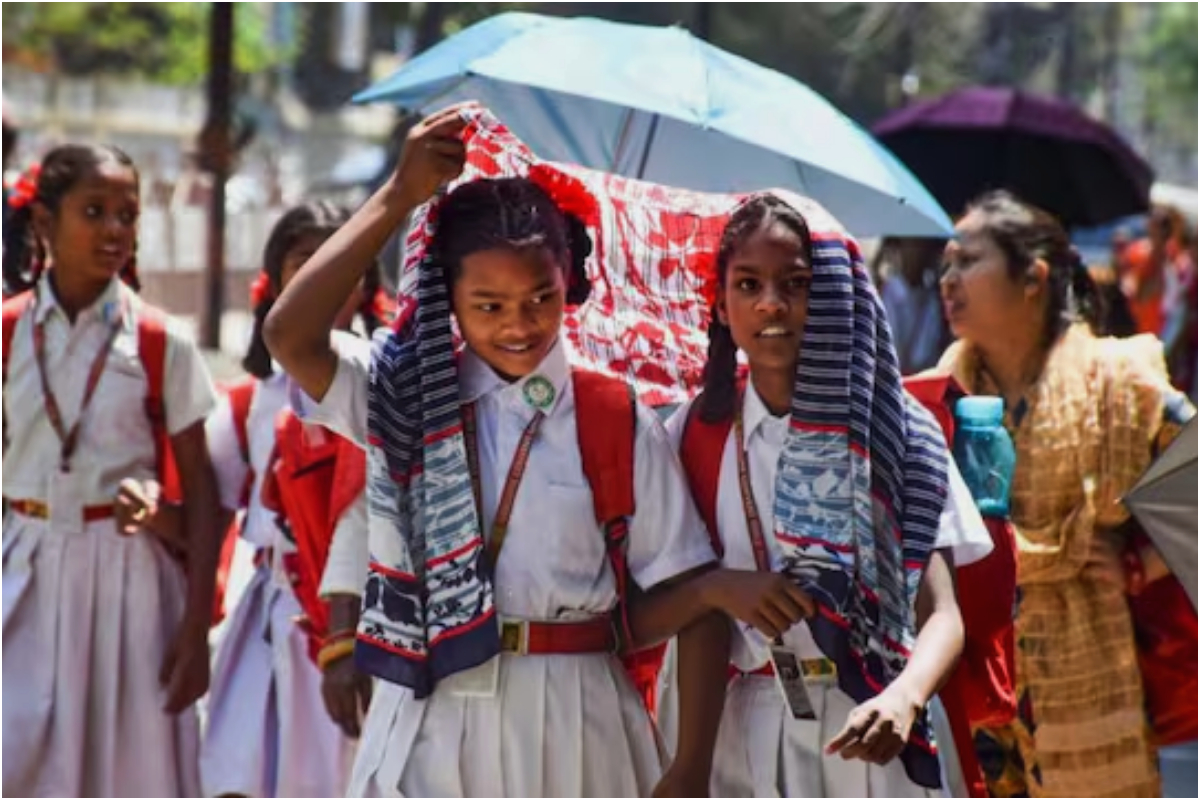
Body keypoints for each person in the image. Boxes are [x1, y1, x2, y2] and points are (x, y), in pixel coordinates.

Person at [263, 105, 741, 797]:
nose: (519, 324)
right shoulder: (407, 396)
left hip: (578, 722)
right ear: (446, 297)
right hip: (431, 714)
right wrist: (398, 196)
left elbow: (689, 596)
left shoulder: (613, 415)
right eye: (488, 305)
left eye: (540, 297)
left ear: (568, 284)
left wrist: (690, 766)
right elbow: (290, 336)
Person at [658, 194, 993, 797]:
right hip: (744, 725)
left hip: (870, 724)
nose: (771, 303)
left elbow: (942, 615)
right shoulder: (691, 434)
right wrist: (690, 765)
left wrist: (905, 697)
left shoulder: (896, 433)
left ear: (838, 296)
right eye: (748, 283)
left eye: (796, 283)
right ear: (720, 301)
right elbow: (684, 615)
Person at [935, 190, 1195, 797]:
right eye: (946, 264)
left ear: (1033, 278)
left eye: (968, 261)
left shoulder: (1119, 378)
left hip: (1091, 664)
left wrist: (1141, 563)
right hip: (982, 681)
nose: (948, 279)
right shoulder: (943, 390)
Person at [2, 143, 221, 796]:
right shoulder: (9, 332)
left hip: (129, 579)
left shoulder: (160, 341)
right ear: (44, 223)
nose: (115, 231)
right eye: (93, 212)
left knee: (126, 767)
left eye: (127, 215)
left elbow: (206, 496)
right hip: (26, 564)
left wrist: (193, 632)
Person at [199, 200, 384, 797]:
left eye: (343, 261)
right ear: (274, 278)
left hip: (366, 620)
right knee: (247, 769)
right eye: (307, 261)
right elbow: (211, 511)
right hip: (275, 609)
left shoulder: (389, 379)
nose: (324, 279)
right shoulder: (250, 402)